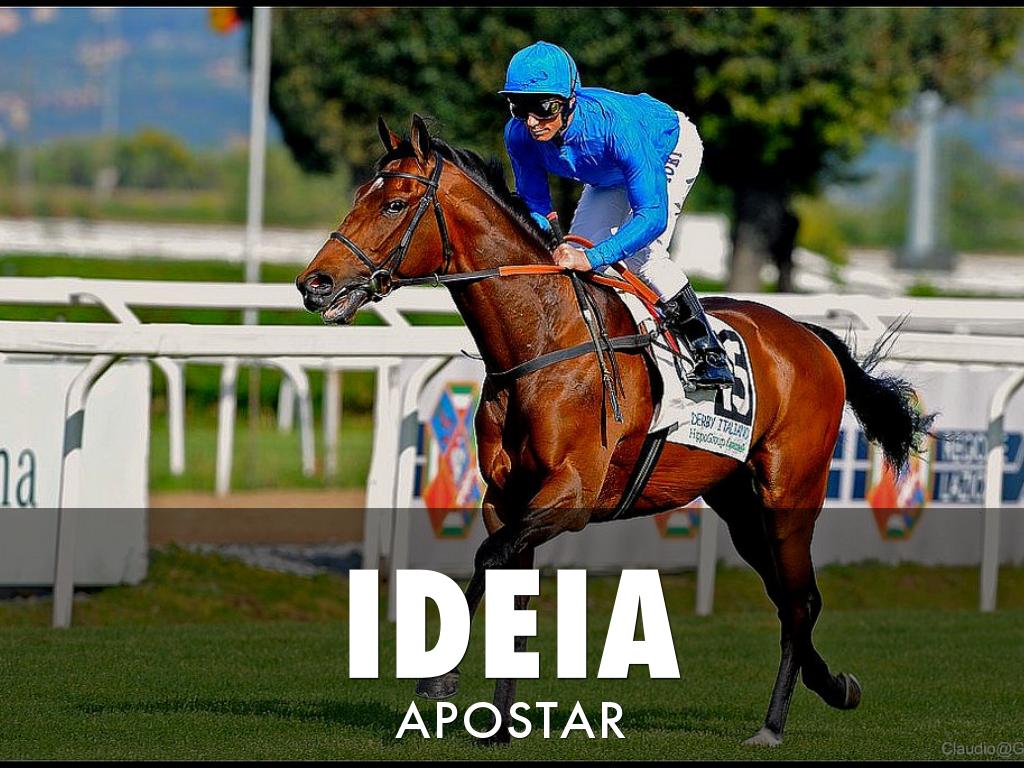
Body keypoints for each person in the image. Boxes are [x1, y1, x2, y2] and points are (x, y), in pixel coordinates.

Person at [500, 41, 733, 390]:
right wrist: (551, 247)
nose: (532, 122)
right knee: (577, 252)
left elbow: (652, 217)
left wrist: (593, 257)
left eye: (544, 107)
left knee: (642, 257)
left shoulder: (616, 126)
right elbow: (536, 205)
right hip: (608, 174)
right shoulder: (518, 135)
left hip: (666, 149)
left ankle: (710, 353)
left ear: (570, 101)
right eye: (519, 107)